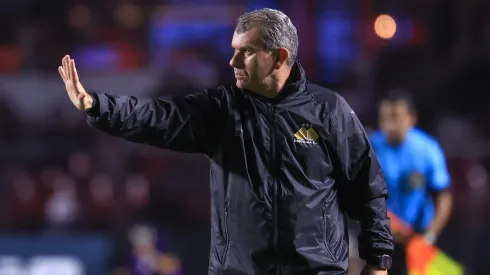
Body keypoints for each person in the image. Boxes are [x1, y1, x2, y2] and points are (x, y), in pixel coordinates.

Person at [58, 8, 394, 275]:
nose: (232, 61)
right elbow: (157, 115)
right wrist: (97, 105)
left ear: (278, 57)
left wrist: (378, 262)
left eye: (245, 52)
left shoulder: (329, 110)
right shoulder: (222, 110)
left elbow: (369, 188)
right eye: (234, 51)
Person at [369, 91, 453, 275]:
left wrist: (430, 234)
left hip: (419, 236)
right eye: (385, 118)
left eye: (396, 118)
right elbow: (360, 194)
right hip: (381, 235)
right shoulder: (370, 147)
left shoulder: (427, 149)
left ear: (411, 119)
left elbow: (443, 195)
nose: (390, 124)